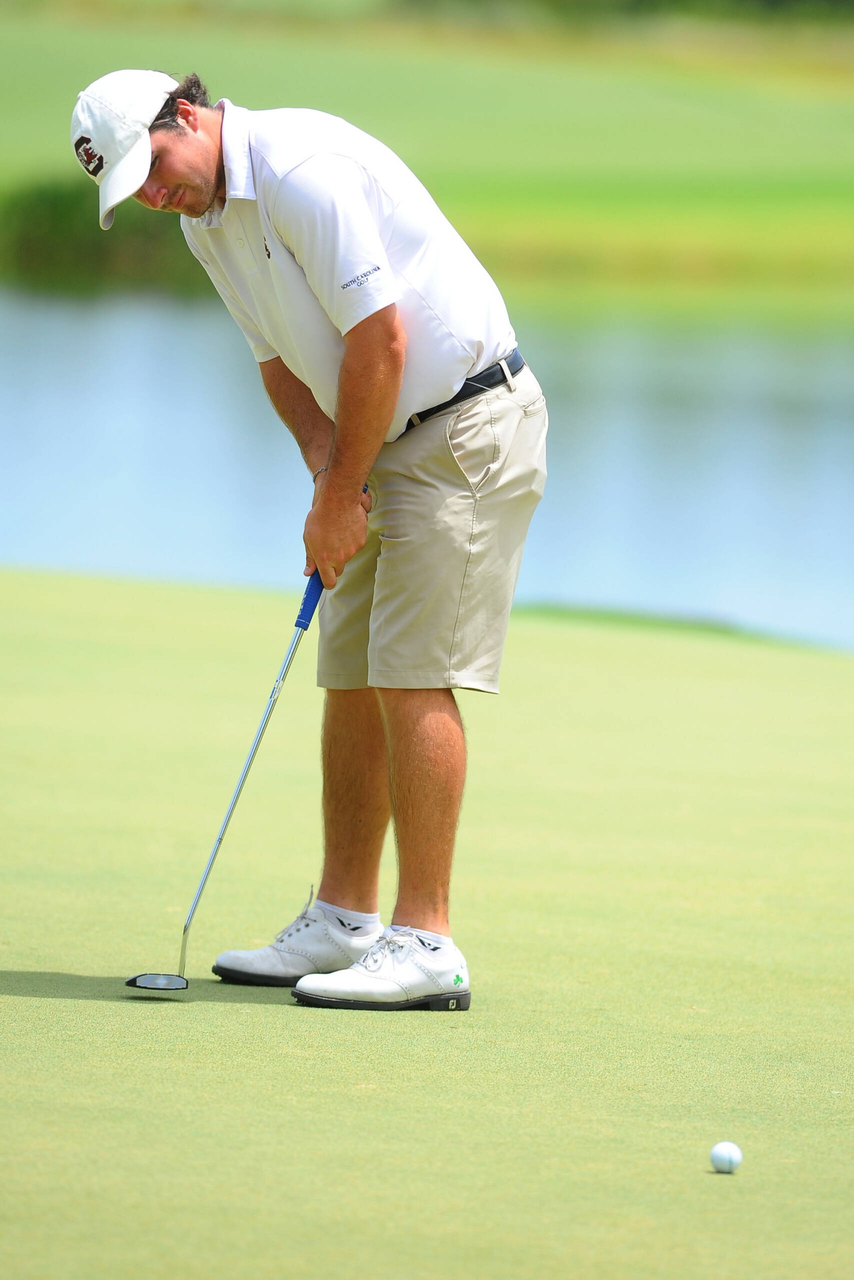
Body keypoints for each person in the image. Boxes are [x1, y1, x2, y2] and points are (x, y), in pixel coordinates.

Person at [71, 69, 547, 1011]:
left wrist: (335, 496)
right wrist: (332, 473)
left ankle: (428, 942)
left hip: (464, 425)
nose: (154, 194)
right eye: (135, 189)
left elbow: (381, 341)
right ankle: (344, 918)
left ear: (186, 115)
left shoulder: (300, 170)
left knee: (413, 671)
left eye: (154, 167)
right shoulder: (205, 220)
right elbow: (278, 361)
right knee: (352, 671)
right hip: (380, 438)